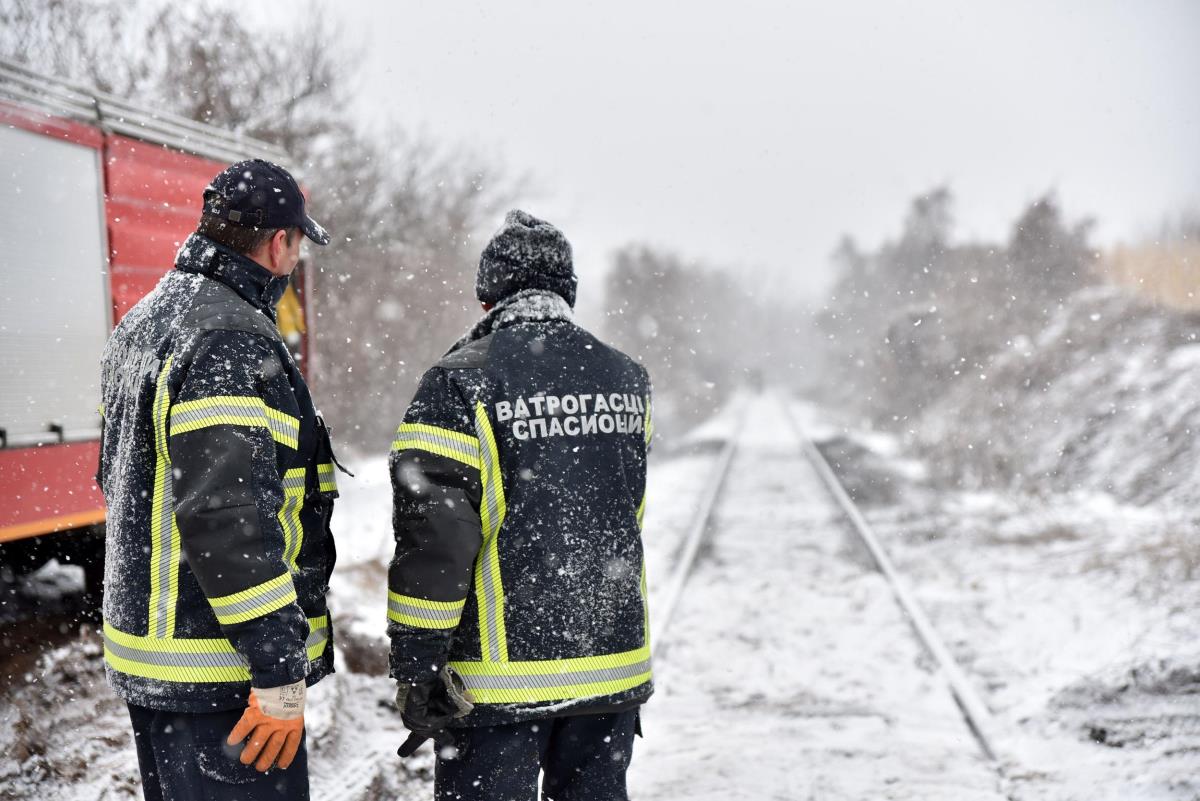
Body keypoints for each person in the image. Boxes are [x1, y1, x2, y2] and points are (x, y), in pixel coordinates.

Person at [387, 210, 654, 801]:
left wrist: (417, 661)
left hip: (497, 687)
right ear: (570, 291)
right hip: (611, 670)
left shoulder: (458, 383)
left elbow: (436, 540)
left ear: (487, 297)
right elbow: (626, 513)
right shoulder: (626, 378)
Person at [98, 159, 340, 801]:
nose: (292, 269)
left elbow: (121, 481)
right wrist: (278, 669)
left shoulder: (144, 321)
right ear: (278, 241)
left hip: (154, 661)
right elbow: (227, 517)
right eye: (295, 249)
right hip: (219, 674)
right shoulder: (230, 334)